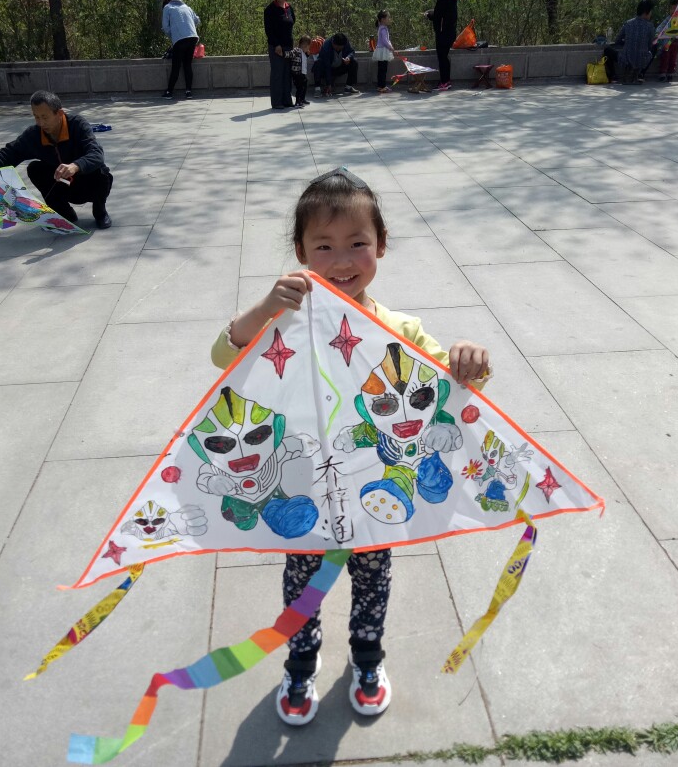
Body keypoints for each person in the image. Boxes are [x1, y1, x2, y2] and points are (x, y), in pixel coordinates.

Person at [209, 167, 492, 726]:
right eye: (324, 246)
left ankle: (367, 658)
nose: (342, 261)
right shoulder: (283, 324)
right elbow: (225, 354)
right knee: (301, 586)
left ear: (380, 245)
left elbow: (452, 386)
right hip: (306, 491)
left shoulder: (402, 329)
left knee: (373, 579)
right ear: (300, 253)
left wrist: (470, 360)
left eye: (357, 243)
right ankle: (300, 663)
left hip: (374, 494)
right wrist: (266, 307)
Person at [0, 91, 114, 229]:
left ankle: (100, 212)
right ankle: (65, 214)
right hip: (61, 184)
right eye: (36, 117)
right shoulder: (34, 134)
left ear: (59, 114)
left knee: (101, 172)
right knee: (35, 168)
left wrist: (75, 166)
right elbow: (11, 152)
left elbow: (96, 154)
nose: (40, 123)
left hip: (86, 181)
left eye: (45, 117)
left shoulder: (77, 125)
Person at [161, 0, 201, 99]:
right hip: (193, 37)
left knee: (176, 66)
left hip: (180, 39)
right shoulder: (186, 7)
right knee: (187, 65)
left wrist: (174, 35)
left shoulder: (167, 7)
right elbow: (197, 20)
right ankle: (188, 92)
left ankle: (169, 92)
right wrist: (188, 28)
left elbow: (165, 27)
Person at [264, 0, 296, 109]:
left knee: (287, 74)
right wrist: (276, 44)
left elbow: (292, 22)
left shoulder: (289, 8)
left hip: (288, 46)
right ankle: (277, 102)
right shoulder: (270, 9)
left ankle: (287, 100)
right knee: (277, 74)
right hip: (276, 47)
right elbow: (269, 30)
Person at [613, 0, 656, 84]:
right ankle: (638, 75)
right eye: (650, 12)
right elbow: (650, 45)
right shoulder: (650, 27)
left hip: (626, 59)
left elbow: (617, 40)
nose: (651, 14)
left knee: (609, 50)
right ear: (646, 12)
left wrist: (627, 42)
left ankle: (619, 76)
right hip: (641, 60)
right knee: (654, 48)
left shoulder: (628, 23)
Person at [424, 0, 457, 91]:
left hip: (443, 33)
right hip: (450, 32)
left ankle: (444, 82)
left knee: (442, 58)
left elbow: (438, 16)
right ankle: (445, 81)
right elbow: (444, 14)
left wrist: (428, 15)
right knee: (444, 57)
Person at [655, 0, 678, 82]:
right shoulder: (668, 19)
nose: (673, 11)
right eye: (672, 8)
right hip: (668, 42)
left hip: (676, 42)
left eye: (675, 9)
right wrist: (658, 33)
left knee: (673, 58)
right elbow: (660, 27)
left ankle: (670, 73)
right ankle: (662, 73)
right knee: (665, 57)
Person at [373, 10, 396, 93]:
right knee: (382, 70)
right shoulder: (383, 29)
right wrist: (390, 47)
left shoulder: (383, 28)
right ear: (383, 19)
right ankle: (381, 86)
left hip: (382, 51)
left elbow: (386, 40)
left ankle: (381, 85)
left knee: (382, 69)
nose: (389, 19)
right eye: (388, 17)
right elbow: (385, 41)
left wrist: (390, 46)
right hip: (382, 51)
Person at [290, 36, 312, 107]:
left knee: (304, 86)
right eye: (307, 47)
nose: (308, 49)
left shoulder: (303, 53)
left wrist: (307, 54)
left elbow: (303, 59)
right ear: (303, 45)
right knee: (300, 87)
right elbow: (291, 54)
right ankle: (298, 101)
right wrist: (284, 54)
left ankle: (302, 99)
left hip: (303, 73)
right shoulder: (297, 50)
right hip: (297, 73)